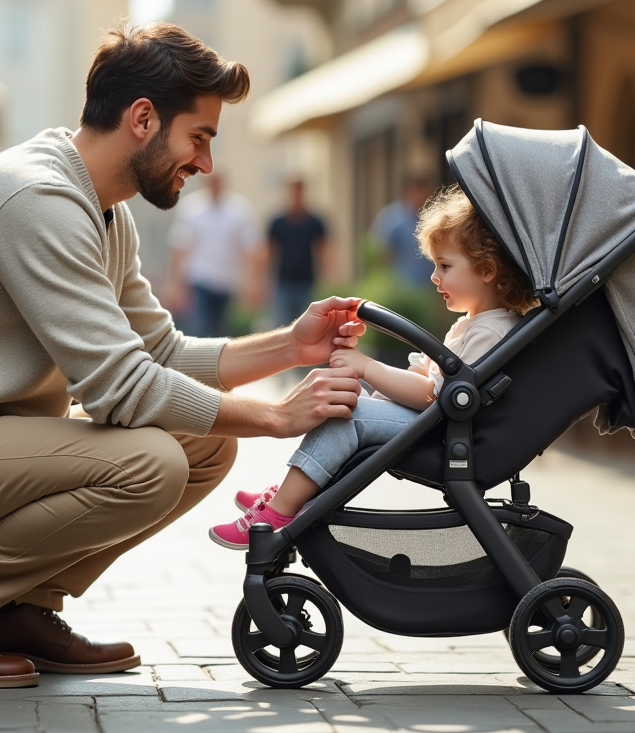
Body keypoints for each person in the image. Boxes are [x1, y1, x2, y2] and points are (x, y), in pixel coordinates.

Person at [0, 22, 367, 690]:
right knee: (152, 461)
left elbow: (159, 351)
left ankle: (17, 605)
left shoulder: (105, 211)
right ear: (144, 119)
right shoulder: (37, 198)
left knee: (203, 448)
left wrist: (291, 344)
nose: (205, 163)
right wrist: (274, 419)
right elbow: (121, 390)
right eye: (200, 137)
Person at [210, 185, 538, 548]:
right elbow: (425, 377)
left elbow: (436, 396)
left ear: (488, 270)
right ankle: (293, 491)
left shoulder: (491, 331)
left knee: (348, 415)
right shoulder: (474, 323)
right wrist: (367, 377)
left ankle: (279, 511)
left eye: (444, 266)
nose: (434, 276)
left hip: (450, 434)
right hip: (440, 423)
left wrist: (366, 366)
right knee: (343, 393)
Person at [166, 172, 262, 337]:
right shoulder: (191, 209)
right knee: (200, 330)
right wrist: (175, 284)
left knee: (221, 332)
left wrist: (253, 282)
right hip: (199, 279)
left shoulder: (240, 210)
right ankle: (199, 362)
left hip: (227, 281)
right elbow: (180, 248)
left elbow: (252, 249)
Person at [267, 179, 327, 328]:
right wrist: (263, 282)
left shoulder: (314, 222)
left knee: (307, 328)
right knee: (281, 329)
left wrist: (328, 279)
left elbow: (324, 251)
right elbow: (269, 252)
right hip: (283, 283)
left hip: (307, 283)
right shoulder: (278, 222)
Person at [370, 175, 434, 283]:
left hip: (428, 287)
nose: (419, 196)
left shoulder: (433, 218)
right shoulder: (393, 217)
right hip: (399, 287)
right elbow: (379, 251)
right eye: (416, 191)